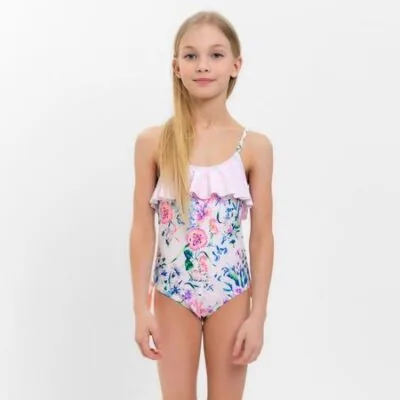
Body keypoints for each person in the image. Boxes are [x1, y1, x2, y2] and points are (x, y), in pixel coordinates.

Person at [129, 10, 274, 400]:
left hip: (231, 293)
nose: (203, 65)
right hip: (173, 292)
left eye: (216, 55)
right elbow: (142, 229)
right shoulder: (153, 143)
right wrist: (141, 308)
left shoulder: (254, 147)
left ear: (235, 65)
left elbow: (262, 237)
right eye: (191, 55)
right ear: (176, 67)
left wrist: (258, 315)